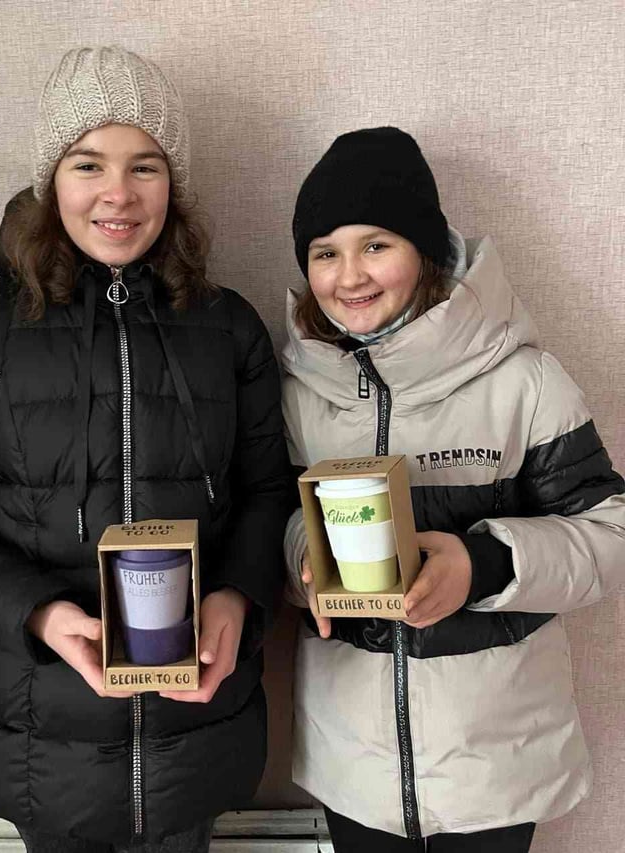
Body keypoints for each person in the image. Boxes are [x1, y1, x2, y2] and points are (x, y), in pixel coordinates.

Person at [0, 46, 290, 853]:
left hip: (196, 733)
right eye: (88, 163)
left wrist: (239, 596)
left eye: (146, 166)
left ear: (173, 183)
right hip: (43, 738)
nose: (118, 194)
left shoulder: (229, 326)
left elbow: (269, 492)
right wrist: (39, 614)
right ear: (50, 180)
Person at [281, 127, 625, 852]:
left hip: (497, 766)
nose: (350, 275)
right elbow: (272, 519)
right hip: (352, 764)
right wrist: (301, 559)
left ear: (427, 250)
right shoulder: (297, 394)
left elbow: (610, 531)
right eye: (325, 252)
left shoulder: (524, 382)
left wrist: (483, 566)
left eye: (376, 244)